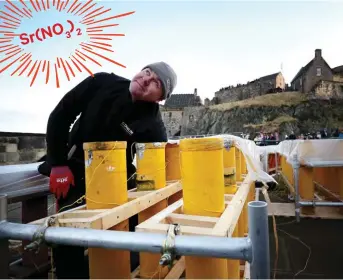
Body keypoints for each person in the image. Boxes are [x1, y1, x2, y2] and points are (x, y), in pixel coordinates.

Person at [38, 62, 177, 278]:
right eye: (147, 72)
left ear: (159, 98)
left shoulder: (153, 125)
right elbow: (61, 114)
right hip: (73, 168)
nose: (146, 80)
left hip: (117, 176)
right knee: (66, 233)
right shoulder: (102, 81)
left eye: (156, 83)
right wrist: (57, 164)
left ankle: (111, 271)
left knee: (131, 227)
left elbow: (155, 165)